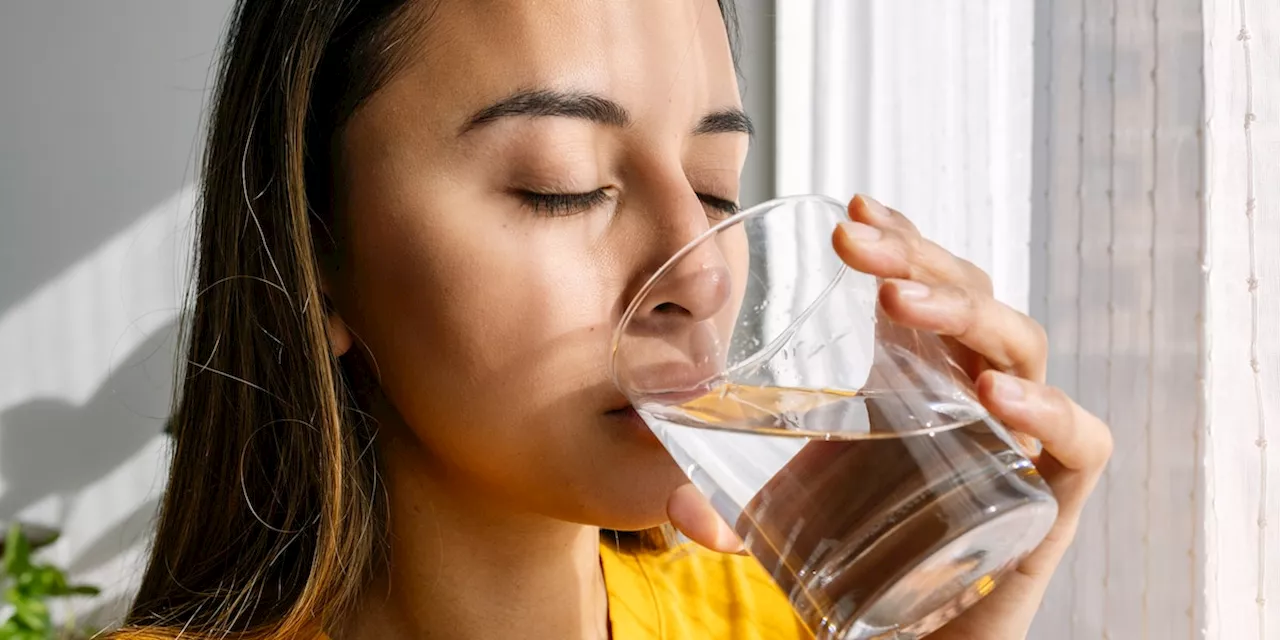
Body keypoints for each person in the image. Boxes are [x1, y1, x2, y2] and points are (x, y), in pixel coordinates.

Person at [110, 1, 1113, 638]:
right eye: (564, 187)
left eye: (716, 190)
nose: (703, 279)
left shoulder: (774, 621)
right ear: (319, 253)